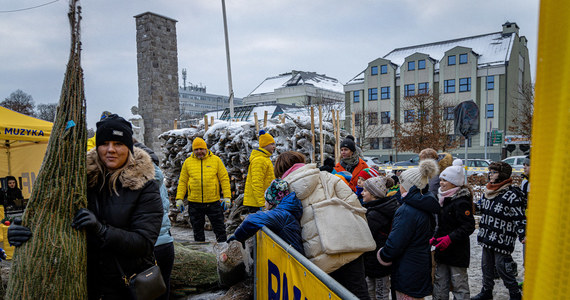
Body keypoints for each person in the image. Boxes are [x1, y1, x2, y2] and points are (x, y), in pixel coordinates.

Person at [8, 114, 164, 298]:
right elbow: (53, 214)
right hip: (85, 284)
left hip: (126, 285)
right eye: (104, 143)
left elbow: (144, 243)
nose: (110, 150)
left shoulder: (145, 186)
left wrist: (101, 230)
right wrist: (24, 228)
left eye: (118, 144)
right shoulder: (81, 179)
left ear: (129, 148)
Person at [275, 151, 374, 300]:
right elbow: (355, 206)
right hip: (350, 245)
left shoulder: (283, 192)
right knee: (358, 293)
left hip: (320, 256)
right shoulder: (328, 177)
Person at [377, 159, 439, 299]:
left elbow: (396, 243)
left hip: (407, 270)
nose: (399, 186)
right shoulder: (425, 206)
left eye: (401, 183)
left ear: (408, 186)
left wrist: (383, 255)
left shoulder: (407, 210)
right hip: (419, 267)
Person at [472, 162, 526, 300]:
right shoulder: (488, 191)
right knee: (486, 266)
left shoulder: (512, 194)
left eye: (494, 172)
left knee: (503, 267)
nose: (490, 174)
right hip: (487, 236)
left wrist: (522, 234)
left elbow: (519, 216)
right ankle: (486, 291)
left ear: (502, 174)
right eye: (490, 171)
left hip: (503, 238)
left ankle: (514, 293)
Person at [133, 139, 174, 300]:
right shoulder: (157, 176)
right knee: (163, 289)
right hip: (165, 242)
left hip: (146, 246)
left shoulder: (136, 178)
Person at [431, 159, 475, 300]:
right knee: (440, 283)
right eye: (441, 180)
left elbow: (468, 226)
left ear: (454, 183)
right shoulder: (444, 199)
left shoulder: (461, 202)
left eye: (445, 180)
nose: (441, 183)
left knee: (459, 284)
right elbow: (443, 224)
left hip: (457, 252)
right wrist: (435, 237)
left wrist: (450, 238)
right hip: (443, 251)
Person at [227, 178, 304, 255]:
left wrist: (238, 237)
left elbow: (251, 220)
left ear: (271, 202)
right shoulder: (286, 211)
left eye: (266, 200)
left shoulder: (281, 215)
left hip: (291, 262)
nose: (264, 203)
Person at [175, 137, 231, 242]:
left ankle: (224, 251)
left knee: (220, 229)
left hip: (213, 202)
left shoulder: (216, 160)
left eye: (201, 149)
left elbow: (224, 179)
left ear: (206, 149)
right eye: (196, 149)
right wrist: (179, 198)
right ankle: (201, 254)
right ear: (193, 150)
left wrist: (227, 197)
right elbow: (182, 182)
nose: (199, 151)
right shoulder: (188, 162)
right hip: (194, 203)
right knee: (197, 230)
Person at [362, 177, 399, 300]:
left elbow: (365, 236)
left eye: (365, 190)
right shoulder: (380, 208)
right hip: (378, 260)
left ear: (373, 194)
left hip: (376, 261)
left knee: (377, 293)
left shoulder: (375, 214)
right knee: (378, 291)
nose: (362, 193)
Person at [243, 130, 276, 213]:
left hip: (262, 202)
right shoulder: (259, 160)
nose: (274, 147)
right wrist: (262, 203)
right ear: (265, 144)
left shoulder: (265, 159)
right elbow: (256, 183)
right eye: (272, 144)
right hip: (257, 204)